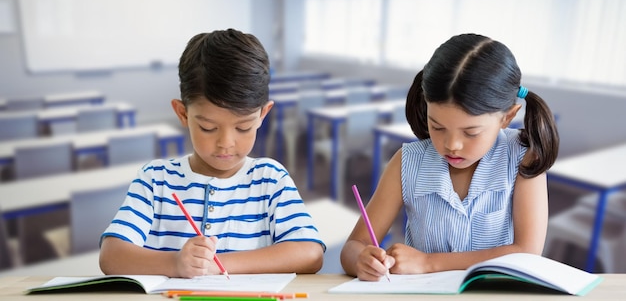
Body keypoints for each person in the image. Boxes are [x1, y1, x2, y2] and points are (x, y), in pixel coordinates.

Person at [100, 29, 325, 278]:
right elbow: (112, 257)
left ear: (263, 114)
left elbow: (310, 254)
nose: (225, 143)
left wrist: (216, 264)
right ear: (182, 113)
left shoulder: (270, 179)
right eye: (208, 128)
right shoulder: (156, 179)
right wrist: (176, 263)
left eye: (243, 127)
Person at [340, 33, 559, 281]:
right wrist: (362, 260)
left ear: (507, 117)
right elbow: (353, 246)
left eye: (471, 132)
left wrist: (429, 262)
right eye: (438, 127)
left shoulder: (523, 157)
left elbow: (527, 252)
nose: (452, 145)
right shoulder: (407, 162)